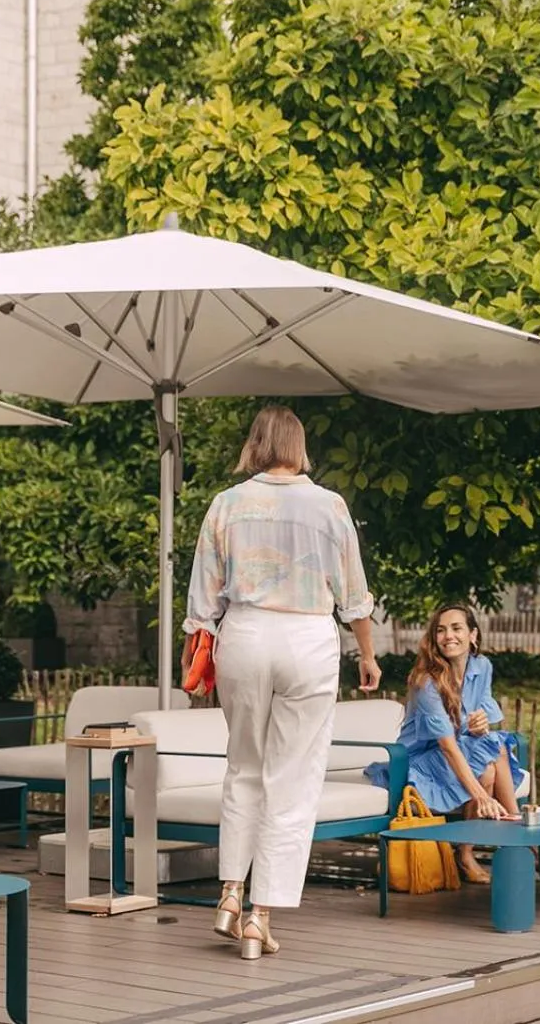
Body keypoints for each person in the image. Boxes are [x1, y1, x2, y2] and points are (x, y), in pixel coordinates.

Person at [182, 405, 382, 960]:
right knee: (291, 780)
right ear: (297, 445)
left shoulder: (227, 505)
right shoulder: (329, 505)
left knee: (243, 766)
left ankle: (229, 892)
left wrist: (194, 658)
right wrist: (367, 655)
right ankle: (260, 918)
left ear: (255, 443)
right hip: (307, 639)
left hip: (243, 635)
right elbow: (354, 592)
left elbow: (203, 599)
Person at [366, 604, 525, 883]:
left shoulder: (482, 666)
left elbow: (484, 711)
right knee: (491, 759)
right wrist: (482, 797)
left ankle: (494, 845)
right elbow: (447, 746)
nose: (448, 636)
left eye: (456, 628)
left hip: (458, 748)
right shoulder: (426, 682)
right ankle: (517, 839)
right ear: (434, 638)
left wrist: (482, 723)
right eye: (441, 630)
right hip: (421, 759)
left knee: (493, 751)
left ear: (473, 635)